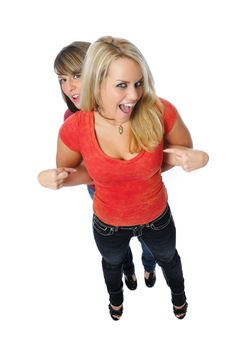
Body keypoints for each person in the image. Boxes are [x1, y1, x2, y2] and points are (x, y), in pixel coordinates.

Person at [40, 36, 209, 320]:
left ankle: (161, 281)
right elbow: (80, 172)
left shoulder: (156, 110)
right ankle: (120, 292)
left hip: (155, 214)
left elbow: (178, 151)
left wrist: (195, 158)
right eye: (122, 85)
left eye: (138, 83)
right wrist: (58, 178)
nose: (133, 94)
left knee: (161, 254)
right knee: (114, 261)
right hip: (107, 216)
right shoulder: (74, 125)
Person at [38, 41, 159, 291]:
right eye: (62, 79)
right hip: (102, 192)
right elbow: (76, 168)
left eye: (77, 75)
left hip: (142, 193)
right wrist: (60, 176)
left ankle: (149, 266)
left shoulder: (132, 108)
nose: (68, 86)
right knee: (116, 240)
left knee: (150, 238)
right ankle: (128, 271)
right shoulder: (72, 120)